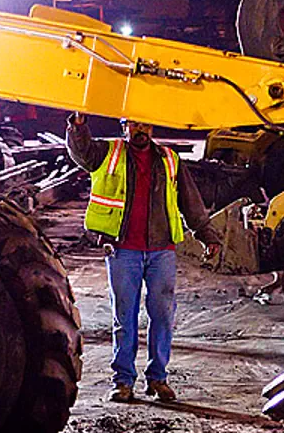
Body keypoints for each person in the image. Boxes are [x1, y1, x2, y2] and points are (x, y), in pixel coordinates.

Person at [67, 114, 221, 404]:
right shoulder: (107, 153)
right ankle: (123, 381)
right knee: (124, 317)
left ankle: (157, 378)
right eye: (135, 124)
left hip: (161, 250)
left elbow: (190, 201)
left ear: (153, 128)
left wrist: (208, 235)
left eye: (146, 125)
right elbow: (82, 152)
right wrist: (77, 127)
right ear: (124, 127)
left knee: (162, 315)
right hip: (123, 249)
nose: (141, 130)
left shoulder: (169, 159)